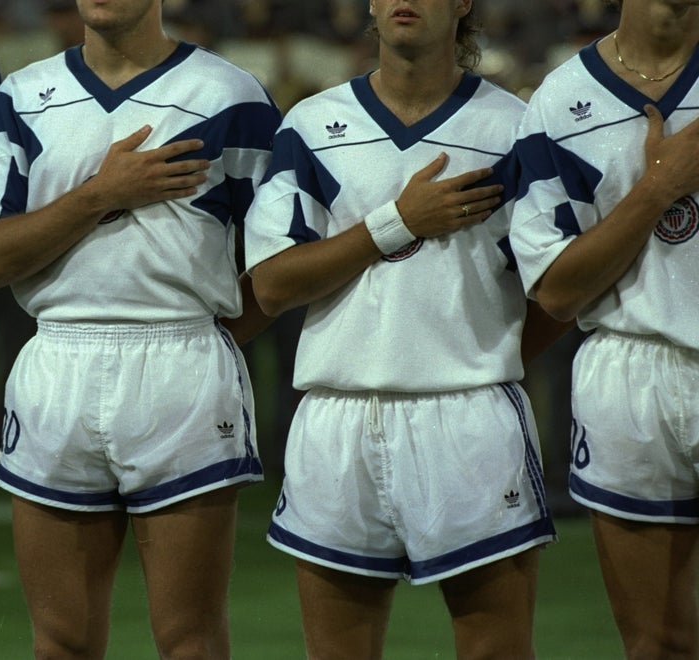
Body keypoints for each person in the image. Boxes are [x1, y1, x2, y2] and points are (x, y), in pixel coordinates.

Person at [0, 0, 280, 657]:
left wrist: (205, 341)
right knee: (60, 643)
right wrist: (101, 193)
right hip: (58, 363)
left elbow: (279, 269)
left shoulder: (229, 95)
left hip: (182, 364)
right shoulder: (25, 94)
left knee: (190, 640)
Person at [244, 0, 571, 657]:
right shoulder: (311, 125)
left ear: (462, 5)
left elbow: (558, 290)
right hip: (336, 417)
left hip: (470, 418)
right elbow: (273, 284)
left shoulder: (515, 128)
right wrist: (399, 221)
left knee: (495, 649)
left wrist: (485, 364)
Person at [510, 0, 699, 657]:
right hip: (630, 371)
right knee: (657, 643)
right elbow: (558, 290)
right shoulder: (560, 102)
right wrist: (656, 190)